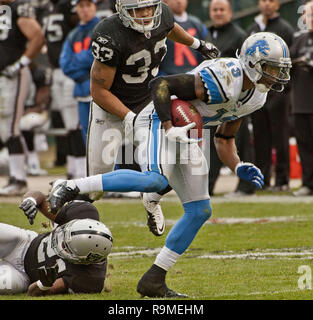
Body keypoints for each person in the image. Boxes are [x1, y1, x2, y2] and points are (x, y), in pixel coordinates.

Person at [48, 32, 292, 297]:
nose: (276, 75)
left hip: (186, 129)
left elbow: (224, 139)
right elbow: (161, 86)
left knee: (200, 210)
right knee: (156, 178)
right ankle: (70, 185)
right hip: (158, 116)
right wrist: (167, 126)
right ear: (252, 63)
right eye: (271, 68)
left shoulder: (257, 96)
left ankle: (154, 279)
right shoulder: (225, 76)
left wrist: (237, 166)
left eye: (280, 70)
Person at [88, 0, 219, 236]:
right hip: (110, 110)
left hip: (148, 103)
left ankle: (151, 200)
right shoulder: (108, 34)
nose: (146, 13)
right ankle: (74, 224)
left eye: (150, 6)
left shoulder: (162, 15)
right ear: (122, 10)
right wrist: (129, 117)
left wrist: (198, 44)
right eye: (138, 9)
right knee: (95, 185)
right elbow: (98, 91)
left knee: (164, 165)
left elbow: (169, 28)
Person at [0, 191, 113, 295]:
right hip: (24, 242)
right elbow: (40, 197)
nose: (61, 243)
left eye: (66, 246)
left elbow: (33, 292)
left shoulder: (88, 279)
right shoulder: (82, 213)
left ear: (79, 260)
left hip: (24, 276)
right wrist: (31, 200)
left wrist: (44, 285)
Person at [205, 0, 256, 197]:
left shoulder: (239, 36)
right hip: (215, 101)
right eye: (214, 10)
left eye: (222, 9)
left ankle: (246, 186)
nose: (218, 13)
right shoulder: (210, 34)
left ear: (230, 12)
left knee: (239, 142)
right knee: (212, 144)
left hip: (237, 100)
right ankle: (207, 186)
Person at [247, 0, 294, 191]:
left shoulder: (285, 29)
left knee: (280, 136)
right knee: (260, 137)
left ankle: (282, 181)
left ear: (278, 4)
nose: (267, 4)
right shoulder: (254, 29)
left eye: (271, 0)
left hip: (278, 93)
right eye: (263, 0)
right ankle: (263, 179)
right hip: (257, 91)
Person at [0, 0, 45, 195]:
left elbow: (37, 36)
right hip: (3, 75)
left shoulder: (17, 7)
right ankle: (16, 177)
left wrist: (21, 63)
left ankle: (19, 179)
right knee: (4, 128)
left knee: (10, 126)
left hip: (12, 74)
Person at [42, 0, 86, 179]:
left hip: (70, 71)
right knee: (68, 125)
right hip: (56, 70)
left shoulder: (68, 5)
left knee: (75, 124)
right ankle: (72, 169)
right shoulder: (46, 7)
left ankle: (82, 171)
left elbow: (79, 26)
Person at [60, 0, 100, 145]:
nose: (84, 10)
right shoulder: (73, 34)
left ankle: (114, 169)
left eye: (88, 5)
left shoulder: (102, 28)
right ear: (75, 9)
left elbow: (97, 57)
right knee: (88, 139)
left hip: (101, 91)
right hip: (82, 90)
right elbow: (65, 65)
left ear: (95, 6)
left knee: (105, 140)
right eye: (81, 6)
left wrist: (76, 58)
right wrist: (85, 72)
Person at [290, 0, 313, 196]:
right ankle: (307, 182)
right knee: (304, 145)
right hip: (300, 103)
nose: (310, 17)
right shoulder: (298, 39)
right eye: (308, 14)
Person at [158, 0, 208, 75]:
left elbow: (205, 51)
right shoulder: (160, 23)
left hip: (194, 76)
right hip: (168, 76)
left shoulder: (197, 24)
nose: (179, 1)